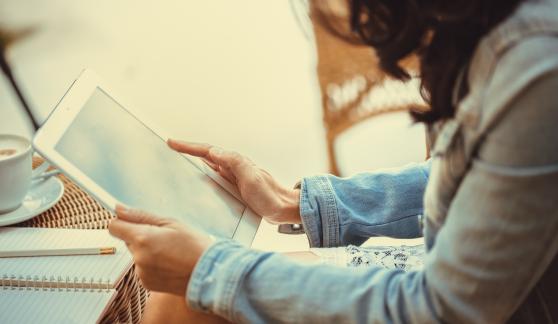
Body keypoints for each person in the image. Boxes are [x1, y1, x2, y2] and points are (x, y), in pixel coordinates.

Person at [108, 0, 558, 322]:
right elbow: (481, 186)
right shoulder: (486, 28)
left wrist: (212, 271)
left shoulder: (535, 66)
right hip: (452, 284)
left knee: (189, 298)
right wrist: (300, 202)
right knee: (184, 296)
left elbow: (447, 309)